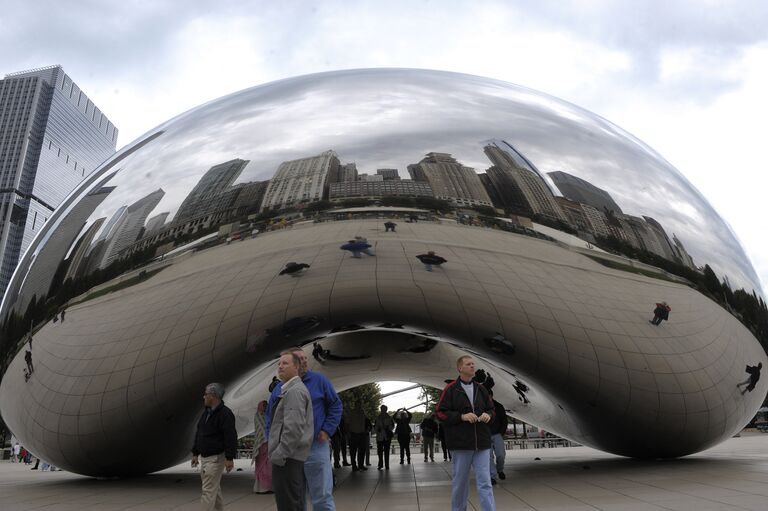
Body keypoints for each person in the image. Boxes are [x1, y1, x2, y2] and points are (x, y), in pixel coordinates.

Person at [266, 347, 342, 511]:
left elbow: (336, 405)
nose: (304, 361)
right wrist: (271, 443)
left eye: (305, 358)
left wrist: (327, 430)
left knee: (321, 496)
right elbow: (270, 418)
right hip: (291, 451)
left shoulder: (319, 381)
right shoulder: (280, 388)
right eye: (300, 359)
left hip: (316, 446)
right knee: (295, 496)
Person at [437, 355, 497, 511]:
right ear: (460, 368)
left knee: (485, 482)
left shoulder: (481, 388)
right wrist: (461, 416)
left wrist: (488, 415)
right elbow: (440, 413)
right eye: (468, 364)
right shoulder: (450, 389)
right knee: (460, 483)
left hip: (482, 444)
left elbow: (492, 409)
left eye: (473, 364)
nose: (472, 366)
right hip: (461, 444)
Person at [268, 351, 314, 511]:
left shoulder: (295, 391)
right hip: (291, 459)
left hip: (288, 460)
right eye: (279, 363)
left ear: (296, 366)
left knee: (289, 505)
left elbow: (293, 429)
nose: (280, 366)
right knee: (294, 503)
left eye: (285, 363)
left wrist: (279, 455)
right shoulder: (291, 389)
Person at [191, 382, 238, 511]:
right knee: (214, 489)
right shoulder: (206, 413)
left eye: (206, 394)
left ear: (213, 396)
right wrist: (195, 453)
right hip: (205, 458)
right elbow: (199, 433)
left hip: (216, 459)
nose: (203, 396)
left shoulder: (225, 414)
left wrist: (229, 458)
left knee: (207, 491)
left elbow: (230, 436)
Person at [251, 400, 273, 494]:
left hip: (268, 446)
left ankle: (268, 488)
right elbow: (261, 430)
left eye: (265, 406)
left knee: (268, 468)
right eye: (263, 406)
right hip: (261, 446)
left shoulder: (267, 416)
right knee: (262, 468)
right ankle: (261, 488)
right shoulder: (258, 416)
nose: (264, 407)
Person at [488, 392, 508, 484]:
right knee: (489, 457)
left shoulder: (498, 406)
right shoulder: (480, 406)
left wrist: (501, 433)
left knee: (501, 455)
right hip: (486, 435)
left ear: (491, 396)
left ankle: (499, 470)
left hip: (497, 434)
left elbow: (504, 420)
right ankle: (492, 476)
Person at [345, 401, 368, 471]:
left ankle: (361, 465)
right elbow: (347, 423)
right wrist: (348, 433)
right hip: (353, 434)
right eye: (358, 404)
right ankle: (354, 466)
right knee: (353, 451)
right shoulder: (351, 413)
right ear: (355, 405)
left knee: (362, 450)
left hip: (362, 434)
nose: (359, 406)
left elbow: (365, 422)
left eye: (360, 405)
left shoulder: (362, 412)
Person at [374, 405, 395, 470]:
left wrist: (388, 428)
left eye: (384, 409)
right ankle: (380, 464)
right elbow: (375, 426)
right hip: (380, 437)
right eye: (382, 409)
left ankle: (387, 465)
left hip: (387, 437)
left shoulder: (389, 418)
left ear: (386, 409)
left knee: (386, 451)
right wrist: (378, 429)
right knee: (380, 452)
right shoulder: (378, 418)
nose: (383, 410)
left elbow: (392, 426)